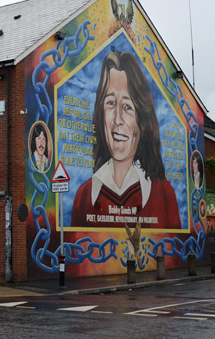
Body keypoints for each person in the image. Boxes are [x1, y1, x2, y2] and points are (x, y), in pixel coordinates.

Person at [71, 51, 181, 229]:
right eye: (110, 103)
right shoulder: (84, 196)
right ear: (100, 113)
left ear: (141, 120)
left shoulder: (163, 193)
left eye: (128, 107)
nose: (117, 119)